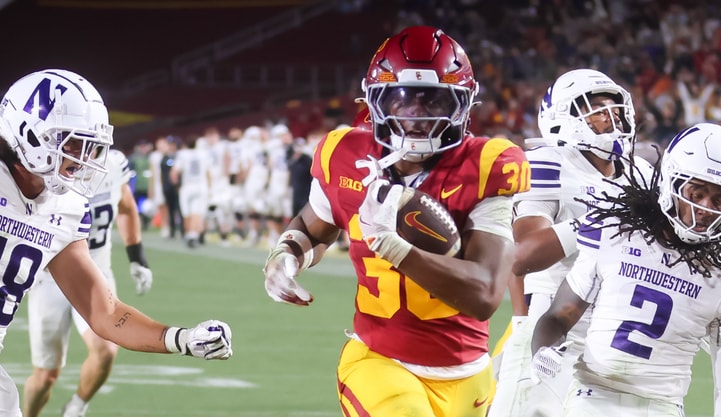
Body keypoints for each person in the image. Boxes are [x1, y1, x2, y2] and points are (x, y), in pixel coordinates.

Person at [263, 26, 530, 417]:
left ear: (465, 104)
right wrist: (286, 254)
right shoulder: (343, 151)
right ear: (374, 100)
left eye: (435, 100)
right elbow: (314, 225)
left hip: (470, 374)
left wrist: (394, 246)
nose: (417, 115)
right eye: (401, 99)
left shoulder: (489, 163)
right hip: (380, 361)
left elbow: (484, 295)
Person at [0, 69, 232, 417]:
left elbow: (104, 312)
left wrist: (181, 338)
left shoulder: (65, 207)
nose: (83, 158)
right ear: (30, 134)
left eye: (90, 146)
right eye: (73, 144)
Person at [530, 123, 721, 417]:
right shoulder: (615, 231)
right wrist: (544, 352)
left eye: (719, 199)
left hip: (662, 407)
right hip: (592, 395)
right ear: (672, 180)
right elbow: (558, 317)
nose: (706, 208)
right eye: (696, 193)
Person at [489, 68, 649, 417]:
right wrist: (596, 220)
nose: (612, 119)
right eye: (598, 110)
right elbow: (524, 255)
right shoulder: (550, 163)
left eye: (616, 110)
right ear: (564, 118)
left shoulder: (642, 174)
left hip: (617, 335)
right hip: (553, 327)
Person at [24, 148, 154, 417]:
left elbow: (127, 207)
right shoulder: (41, 163)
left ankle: (76, 407)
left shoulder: (113, 163)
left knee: (106, 350)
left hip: (97, 273)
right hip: (50, 279)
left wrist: (137, 256)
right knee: (46, 375)